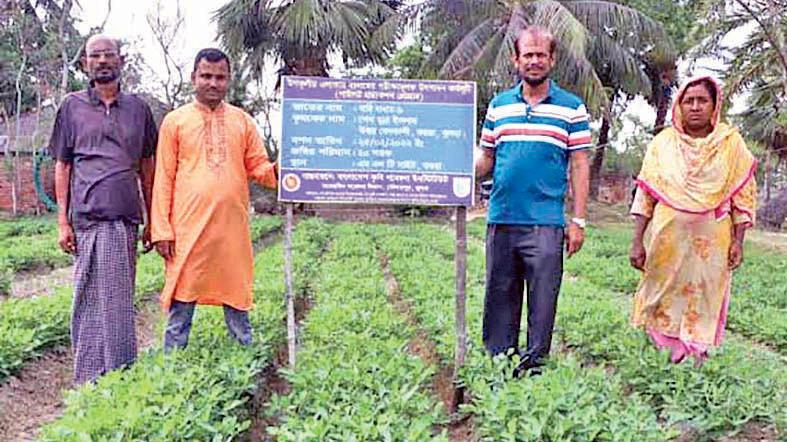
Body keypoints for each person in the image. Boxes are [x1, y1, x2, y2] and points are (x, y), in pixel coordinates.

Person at [476, 26, 592, 377]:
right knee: (499, 296)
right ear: (516, 59)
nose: (535, 60)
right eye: (528, 54)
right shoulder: (499, 107)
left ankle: (534, 368)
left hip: (546, 222)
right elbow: (486, 159)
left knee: (543, 301)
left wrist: (579, 220)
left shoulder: (571, 109)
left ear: (552, 59)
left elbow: (579, 164)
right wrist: (455, 177)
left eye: (541, 54)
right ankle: (500, 367)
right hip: (502, 217)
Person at [151, 48, 278, 350]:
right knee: (182, 299)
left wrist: (280, 171)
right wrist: (161, 230)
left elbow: (258, 167)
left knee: (236, 296)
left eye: (220, 77)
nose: (213, 83)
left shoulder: (243, 122)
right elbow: (163, 178)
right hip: (187, 230)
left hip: (231, 229)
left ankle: (246, 359)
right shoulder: (175, 121)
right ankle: (172, 365)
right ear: (193, 77)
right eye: (206, 76)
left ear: (228, 81)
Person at [49, 34, 157, 384]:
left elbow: (147, 166)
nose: (103, 61)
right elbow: (62, 165)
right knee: (87, 299)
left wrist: (153, 218)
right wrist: (62, 221)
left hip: (125, 219)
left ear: (122, 61)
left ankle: (121, 375)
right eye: (95, 56)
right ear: (85, 64)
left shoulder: (138, 109)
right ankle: (88, 377)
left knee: (119, 300)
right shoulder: (71, 106)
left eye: (109, 54)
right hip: (86, 219)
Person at [629, 76, 757, 366]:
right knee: (661, 293)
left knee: (702, 295)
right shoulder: (663, 144)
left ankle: (695, 357)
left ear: (714, 105)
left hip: (712, 243)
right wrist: (637, 241)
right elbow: (645, 195)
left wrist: (738, 241)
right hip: (666, 239)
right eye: (689, 101)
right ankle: (662, 355)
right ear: (679, 105)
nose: (696, 107)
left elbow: (743, 198)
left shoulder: (731, 145)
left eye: (703, 100)